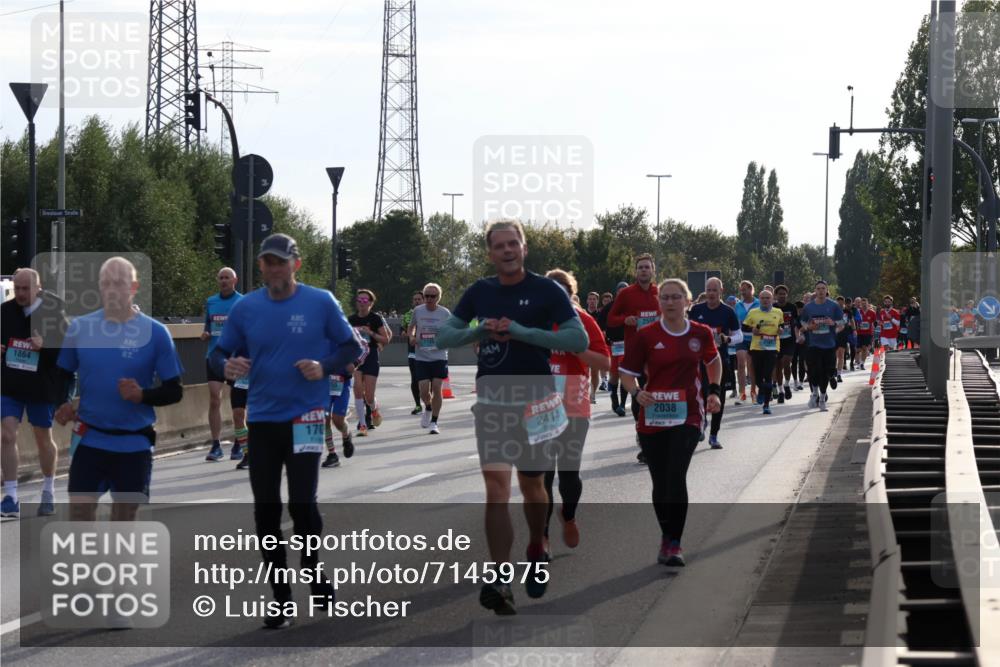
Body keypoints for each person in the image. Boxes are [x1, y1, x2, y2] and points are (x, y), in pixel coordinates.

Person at [436, 220, 588, 615]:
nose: (507, 250)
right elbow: (444, 337)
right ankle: (500, 578)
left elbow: (578, 339)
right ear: (490, 253)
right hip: (493, 400)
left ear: (524, 248)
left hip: (537, 400)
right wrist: (478, 331)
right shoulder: (480, 292)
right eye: (499, 245)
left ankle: (537, 545)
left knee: (533, 485)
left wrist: (522, 332)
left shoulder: (547, 291)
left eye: (513, 243)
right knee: (496, 488)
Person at [211, 233, 363, 628]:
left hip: (307, 417)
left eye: (281, 261)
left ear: (296, 264)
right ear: (260, 266)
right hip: (263, 420)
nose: (274, 268)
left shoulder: (320, 302)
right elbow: (217, 352)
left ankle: (313, 571)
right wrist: (225, 365)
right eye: (268, 262)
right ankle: (281, 599)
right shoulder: (246, 308)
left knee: (301, 504)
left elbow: (353, 348)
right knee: (265, 511)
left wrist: (324, 366)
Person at [54, 257, 184, 523]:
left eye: (118, 283)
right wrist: (62, 401)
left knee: (123, 521)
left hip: (134, 443)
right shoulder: (80, 327)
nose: (111, 289)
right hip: (90, 438)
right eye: (106, 283)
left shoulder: (156, 333)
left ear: (134, 287)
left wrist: (142, 395)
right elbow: (61, 374)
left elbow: (175, 390)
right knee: (79, 516)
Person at [620, 278, 722, 566]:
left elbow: (713, 361)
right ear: (659, 302)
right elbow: (627, 373)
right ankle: (666, 534)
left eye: (676, 297)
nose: (670, 302)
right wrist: (636, 393)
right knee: (660, 481)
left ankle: (674, 542)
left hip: (688, 414)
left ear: (688, 302)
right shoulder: (646, 335)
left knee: (676, 476)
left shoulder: (700, 332)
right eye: (664, 297)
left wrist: (714, 391)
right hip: (652, 415)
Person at [543, 269, 610, 556]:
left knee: (569, 474)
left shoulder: (584, 321)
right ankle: (541, 538)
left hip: (574, 399)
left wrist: (577, 349)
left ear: (571, 294)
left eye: (562, 292)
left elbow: (604, 363)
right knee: (542, 474)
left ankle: (568, 515)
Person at [1, 269, 69, 518]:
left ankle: (48, 491)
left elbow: (67, 353)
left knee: (42, 438)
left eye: (25, 289)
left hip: (41, 386)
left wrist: (45, 346)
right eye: (17, 288)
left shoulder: (54, 313)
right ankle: (10, 497)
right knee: (7, 435)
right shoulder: (4, 312)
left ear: (38, 288)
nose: (20, 293)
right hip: (10, 384)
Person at [606, 254, 660, 464]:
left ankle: (654, 437)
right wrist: (625, 319)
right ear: (635, 271)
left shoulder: (660, 292)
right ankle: (643, 436)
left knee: (655, 393)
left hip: (657, 351)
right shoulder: (626, 294)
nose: (644, 270)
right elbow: (611, 319)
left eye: (647, 267)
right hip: (635, 351)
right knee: (640, 394)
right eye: (640, 267)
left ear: (653, 270)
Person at [199, 267, 247, 463]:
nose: (224, 280)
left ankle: (239, 443)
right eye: (221, 278)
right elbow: (208, 325)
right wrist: (206, 334)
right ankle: (216, 444)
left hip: (236, 359)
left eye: (227, 277)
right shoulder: (211, 301)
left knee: (238, 406)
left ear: (235, 280)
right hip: (214, 356)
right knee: (214, 399)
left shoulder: (242, 301)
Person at [689, 277, 742, 448]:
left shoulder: (728, 311)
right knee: (702, 394)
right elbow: (686, 330)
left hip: (720, 361)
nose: (711, 293)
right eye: (709, 290)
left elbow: (739, 335)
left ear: (721, 291)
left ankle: (714, 435)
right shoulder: (696, 310)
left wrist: (727, 339)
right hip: (699, 362)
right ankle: (702, 423)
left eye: (714, 290)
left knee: (718, 398)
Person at [409, 282, 450, 434]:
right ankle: (428, 407)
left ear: (438, 297)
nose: (429, 299)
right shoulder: (418, 311)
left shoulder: (445, 313)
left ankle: (434, 422)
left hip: (439, 356)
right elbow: (411, 327)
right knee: (424, 391)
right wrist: (412, 337)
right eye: (427, 296)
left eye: (433, 296)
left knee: (437, 388)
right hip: (422, 356)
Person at [349, 289, 391, 436]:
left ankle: (374, 409)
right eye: (359, 300)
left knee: (369, 396)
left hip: (371, 356)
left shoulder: (375, 318)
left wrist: (370, 333)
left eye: (365, 300)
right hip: (356, 357)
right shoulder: (351, 319)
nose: (362, 303)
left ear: (371, 303)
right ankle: (362, 424)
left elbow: (386, 339)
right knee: (357, 390)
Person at [799, 281, 845, 411]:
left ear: (826, 290)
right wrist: (809, 327)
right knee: (814, 371)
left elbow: (842, 323)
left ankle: (822, 398)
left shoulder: (834, 306)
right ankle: (815, 393)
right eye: (818, 289)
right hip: (813, 344)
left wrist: (833, 325)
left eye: (823, 288)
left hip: (829, 344)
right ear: (815, 291)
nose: (820, 291)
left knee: (826, 372)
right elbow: (803, 322)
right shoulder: (809, 307)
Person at [743, 289, 783, 415]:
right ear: (759, 299)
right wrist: (752, 329)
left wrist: (781, 330)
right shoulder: (753, 312)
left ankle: (766, 405)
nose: (765, 300)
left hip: (772, 347)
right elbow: (744, 326)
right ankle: (761, 390)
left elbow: (781, 325)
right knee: (758, 376)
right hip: (757, 347)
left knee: (768, 375)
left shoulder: (778, 312)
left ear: (772, 299)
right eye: (763, 298)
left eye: (768, 298)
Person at [603, 282, 629, 417]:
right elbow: (600, 325)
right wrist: (605, 336)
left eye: (626, 290)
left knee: (624, 374)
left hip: (628, 345)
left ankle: (622, 405)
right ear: (617, 293)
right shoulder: (609, 307)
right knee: (614, 376)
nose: (623, 293)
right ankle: (614, 397)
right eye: (620, 291)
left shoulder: (632, 307)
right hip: (613, 345)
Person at [733, 281, 759, 405]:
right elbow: (735, 321)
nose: (743, 292)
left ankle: (754, 392)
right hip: (741, 338)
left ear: (751, 289)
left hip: (755, 338)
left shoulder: (758, 303)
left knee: (752, 365)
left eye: (745, 289)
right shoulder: (738, 305)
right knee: (740, 364)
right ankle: (742, 394)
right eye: (741, 290)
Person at [772, 285, 798, 404]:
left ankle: (787, 384)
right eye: (780, 294)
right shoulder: (773, 307)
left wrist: (798, 335)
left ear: (787, 295)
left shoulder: (792, 307)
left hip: (789, 339)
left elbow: (796, 323)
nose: (782, 296)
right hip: (776, 340)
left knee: (786, 362)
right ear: (776, 295)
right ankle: (781, 391)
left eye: (784, 294)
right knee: (778, 367)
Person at [400, 291, 425, 415]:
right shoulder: (407, 315)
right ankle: (418, 405)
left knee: (427, 380)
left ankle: (429, 402)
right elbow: (402, 332)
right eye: (415, 299)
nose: (417, 301)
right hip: (413, 352)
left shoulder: (429, 313)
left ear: (424, 300)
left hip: (427, 351)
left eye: (419, 299)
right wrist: (409, 334)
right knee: (415, 379)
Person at [584, 291, 603, 402]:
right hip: (584, 347)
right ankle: (584, 393)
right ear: (587, 301)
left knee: (595, 373)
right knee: (584, 372)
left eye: (594, 299)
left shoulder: (601, 314)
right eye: (590, 299)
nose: (592, 301)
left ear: (597, 301)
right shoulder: (583, 313)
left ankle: (593, 394)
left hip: (595, 347)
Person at [855, 298, 876, 369]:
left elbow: (874, 323)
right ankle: (858, 362)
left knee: (865, 348)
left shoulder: (872, 312)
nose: (864, 305)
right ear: (860, 304)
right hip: (859, 333)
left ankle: (862, 363)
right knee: (858, 349)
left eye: (865, 303)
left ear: (867, 303)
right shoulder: (858, 312)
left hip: (868, 333)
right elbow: (854, 321)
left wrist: (873, 331)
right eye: (862, 303)